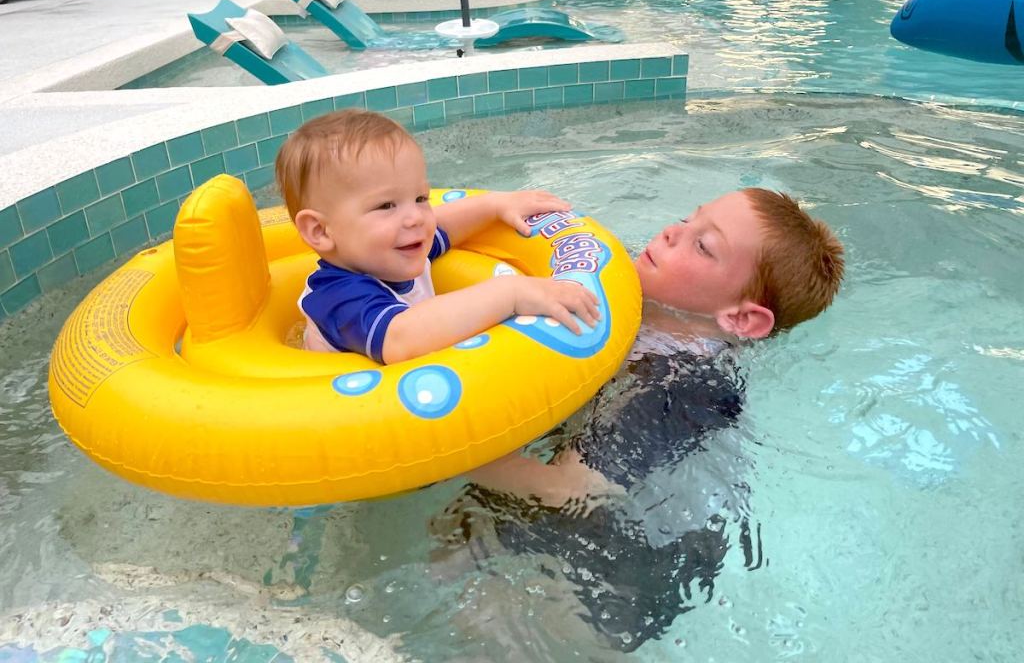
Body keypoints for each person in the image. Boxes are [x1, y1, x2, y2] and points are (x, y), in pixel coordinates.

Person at [431, 187, 845, 653]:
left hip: (631, 571)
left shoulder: (684, 386)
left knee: (479, 622)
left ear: (742, 319)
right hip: (597, 511)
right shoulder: (631, 314)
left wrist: (437, 448)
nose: (673, 232)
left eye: (703, 246)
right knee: (447, 544)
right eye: (690, 218)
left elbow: (575, 491)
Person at [273, 109, 600, 363]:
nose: (416, 217)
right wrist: (510, 293)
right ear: (321, 231)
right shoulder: (337, 296)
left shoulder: (396, 250)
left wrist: (495, 204)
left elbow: (443, 227)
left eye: (420, 198)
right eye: (387, 205)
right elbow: (400, 339)